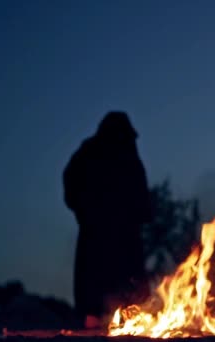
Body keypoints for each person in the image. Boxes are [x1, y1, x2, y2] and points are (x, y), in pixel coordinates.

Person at [62, 111, 152, 328]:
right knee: (94, 285)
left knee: (128, 286)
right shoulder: (89, 153)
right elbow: (71, 185)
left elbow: (141, 192)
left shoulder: (128, 155)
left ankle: (130, 327)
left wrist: (140, 214)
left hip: (124, 232)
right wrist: (85, 212)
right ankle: (92, 325)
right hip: (97, 231)